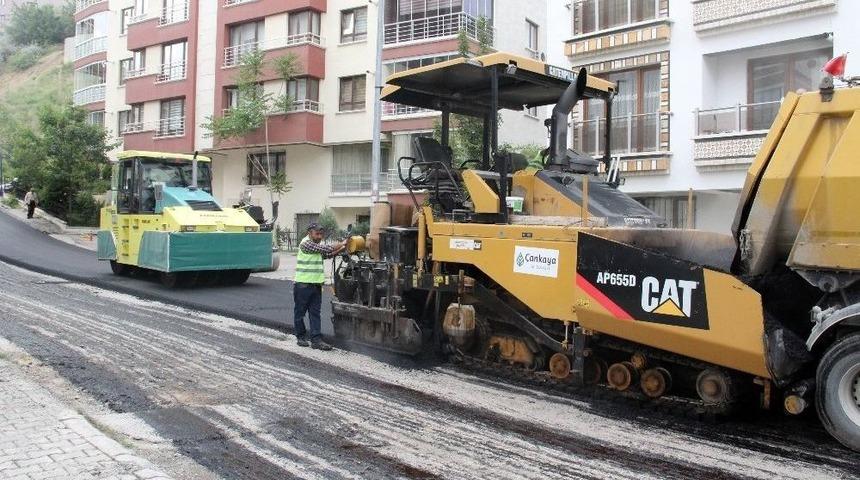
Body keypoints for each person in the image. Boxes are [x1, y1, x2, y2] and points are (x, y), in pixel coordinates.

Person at [293, 223, 346, 350]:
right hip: (303, 285)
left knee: (315, 313)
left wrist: (341, 249)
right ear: (309, 233)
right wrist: (343, 242)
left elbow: (327, 254)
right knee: (300, 313)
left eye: (321, 234)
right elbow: (327, 249)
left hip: (316, 285)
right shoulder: (305, 244)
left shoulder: (315, 246)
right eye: (317, 234)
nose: (319, 236)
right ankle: (300, 337)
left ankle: (316, 340)